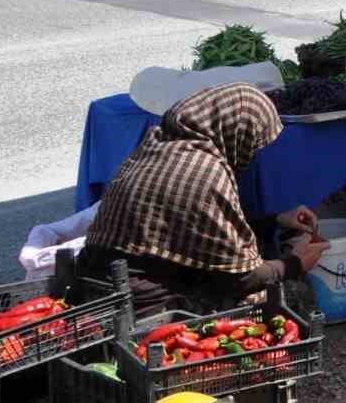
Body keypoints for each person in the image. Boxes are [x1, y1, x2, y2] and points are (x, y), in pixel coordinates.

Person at [79, 83, 328, 318]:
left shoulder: (158, 145)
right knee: (289, 294)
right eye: (253, 143)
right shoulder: (205, 174)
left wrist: (276, 220)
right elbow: (240, 279)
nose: (252, 152)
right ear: (237, 133)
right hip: (141, 306)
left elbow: (196, 228)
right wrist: (294, 264)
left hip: (95, 283)